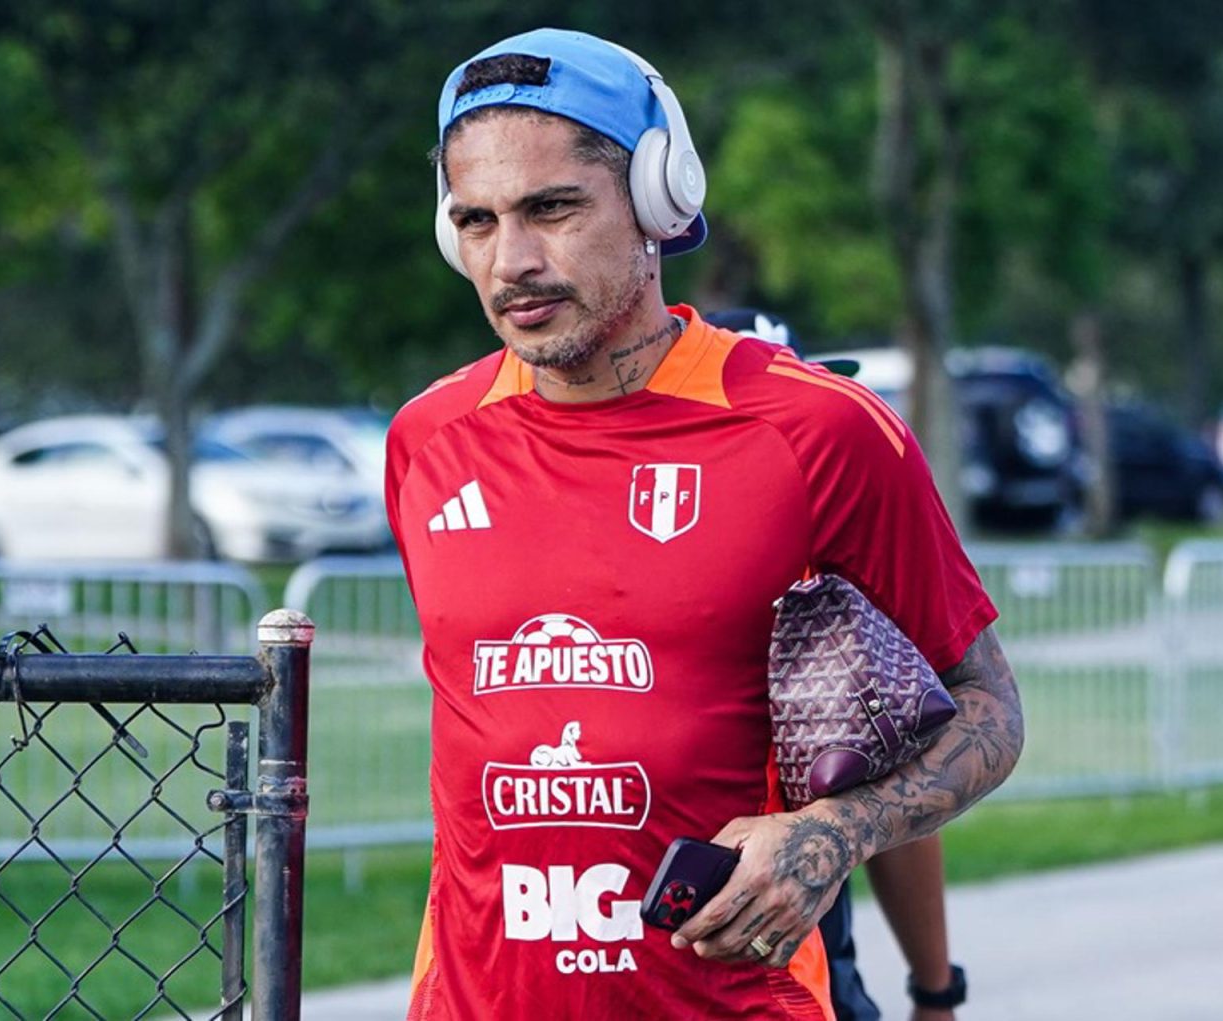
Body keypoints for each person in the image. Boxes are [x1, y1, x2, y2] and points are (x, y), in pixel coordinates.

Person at [384, 27, 1023, 1020]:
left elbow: (986, 708)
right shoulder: (428, 441)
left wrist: (833, 833)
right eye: (475, 221)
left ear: (655, 198)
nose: (510, 260)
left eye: (552, 208)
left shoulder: (819, 430)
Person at [707, 307, 966, 1021]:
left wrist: (935, 986)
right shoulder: (816, 605)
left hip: (799, 976)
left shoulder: (828, 590)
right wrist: (936, 987)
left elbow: (898, 814)